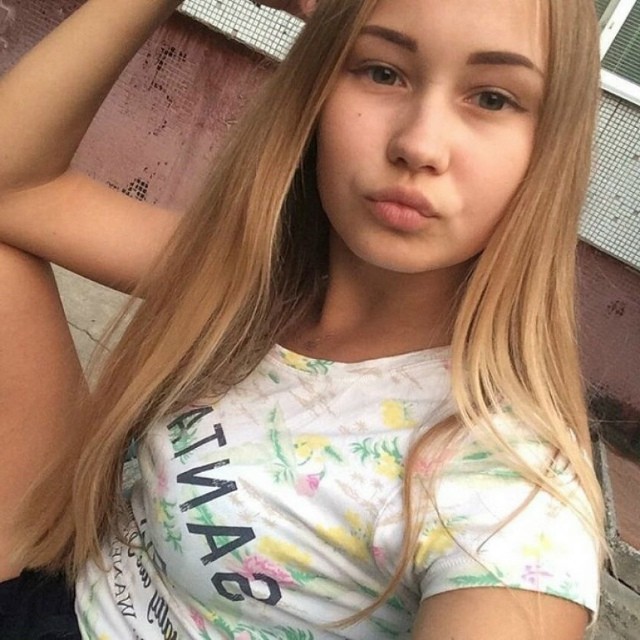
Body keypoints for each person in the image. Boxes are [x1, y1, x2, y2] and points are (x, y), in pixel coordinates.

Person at [0, 0, 606, 638]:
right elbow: (15, 189)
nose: (418, 145)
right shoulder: (255, 281)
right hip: (61, 579)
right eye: (382, 72)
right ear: (316, 90)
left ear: (552, 147)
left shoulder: (513, 503)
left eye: (492, 98)